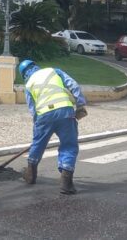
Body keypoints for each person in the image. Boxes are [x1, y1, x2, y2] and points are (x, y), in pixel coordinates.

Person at [18, 59, 87, 195]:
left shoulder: (28, 85)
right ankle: (66, 182)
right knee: (69, 145)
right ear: (35, 66)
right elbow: (73, 85)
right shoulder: (54, 71)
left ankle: (30, 174)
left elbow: (33, 110)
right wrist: (80, 105)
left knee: (38, 144)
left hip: (44, 116)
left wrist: (38, 130)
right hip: (66, 112)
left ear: (24, 74)